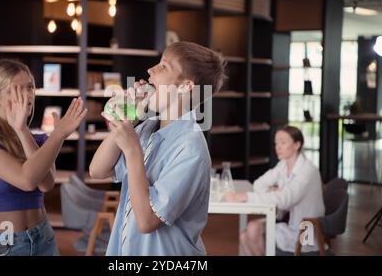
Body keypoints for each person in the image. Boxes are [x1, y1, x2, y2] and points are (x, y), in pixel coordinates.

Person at [90, 41, 226, 255]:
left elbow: (147, 221)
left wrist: (133, 151)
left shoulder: (191, 149)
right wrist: (131, 118)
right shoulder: (146, 129)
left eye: (164, 66)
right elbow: (97, 170)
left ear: (185, 86)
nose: (150, 70)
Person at [0, 59, 87, 256]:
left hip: (43, 238)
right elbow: (26, 180)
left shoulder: (40, 140)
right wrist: (58, 135)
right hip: (2, 246)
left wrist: (24, 131)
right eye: (17, 90)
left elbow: (46, 183)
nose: (27, 96)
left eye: (30, 87)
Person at [224, 125, 325, 255]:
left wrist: (246, 196)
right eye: (276, 143)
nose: (278, 147)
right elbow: (258, 184)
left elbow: (285, 199)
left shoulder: (307, 171)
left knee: (252, 232)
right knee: (246, 234)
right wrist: (275, 192)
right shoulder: (283, 165)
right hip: (285, 221)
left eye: (283, 142)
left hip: (305, 230)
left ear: (297, 145)